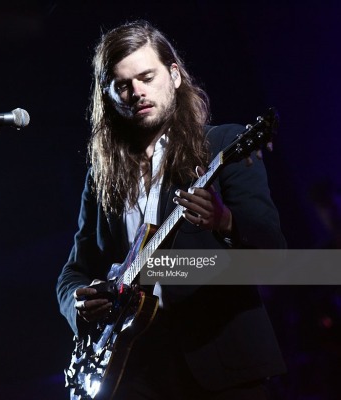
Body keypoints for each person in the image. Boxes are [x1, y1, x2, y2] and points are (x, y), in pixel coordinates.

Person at [57, 20, 286, 399]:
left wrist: (223, 221)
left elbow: (274, 253)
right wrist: (79, 302)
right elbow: (73, 271)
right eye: (123, 86)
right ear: (108, 96)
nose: (137, 92)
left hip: (221, 364)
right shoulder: (102, 178)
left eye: (147, 77)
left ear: (175, 76)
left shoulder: (223, 145)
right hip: (138, 370)